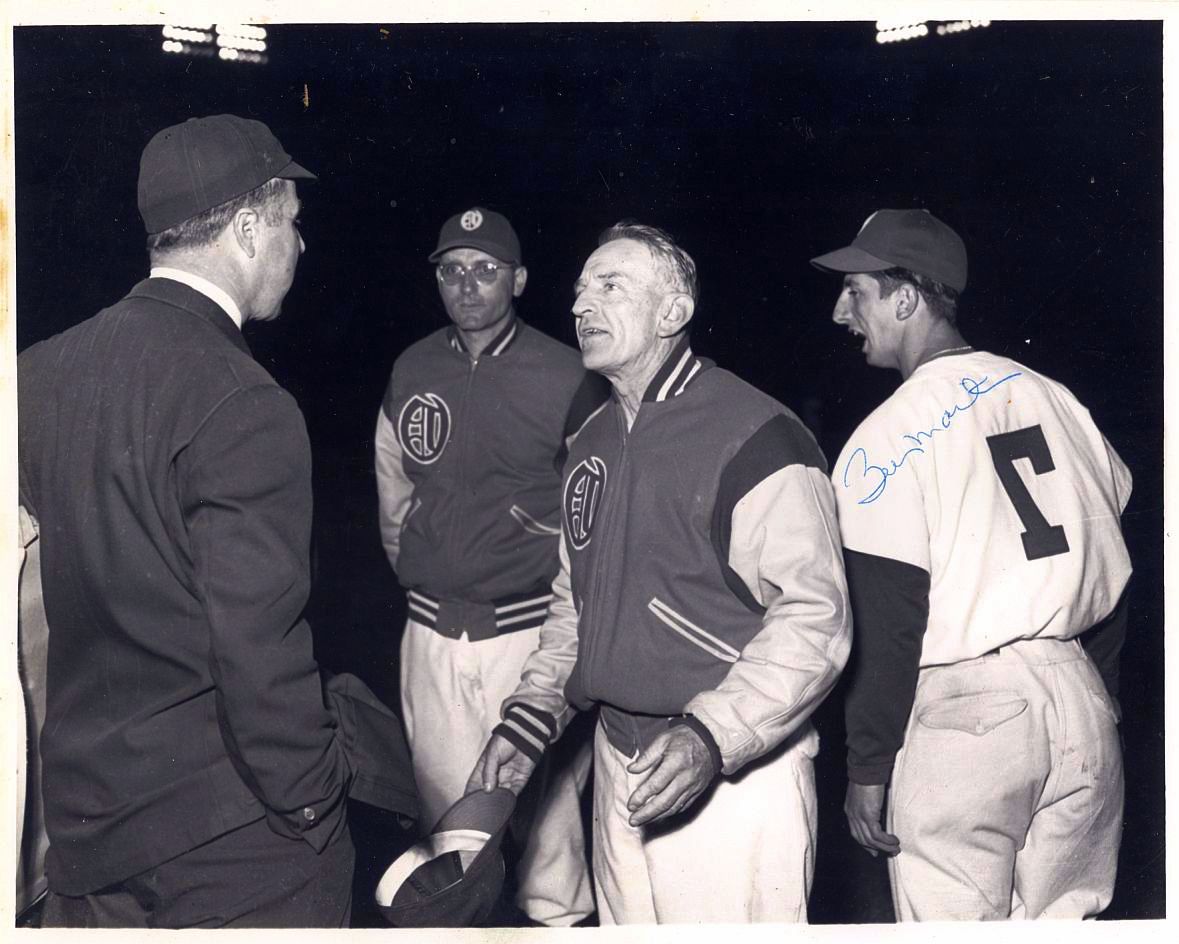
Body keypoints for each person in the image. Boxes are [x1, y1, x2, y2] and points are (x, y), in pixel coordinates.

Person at [17, 114, 417, 928]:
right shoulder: (243, 400)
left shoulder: (36, 373)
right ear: (247, 230)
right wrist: (314, 804)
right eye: (291, 223)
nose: (299, 245)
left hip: (86, 831)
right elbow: (256, 649)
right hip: (226, 844)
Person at [469, 221, 852, 924]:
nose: (580, 305)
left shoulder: (756, 435)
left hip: (731, 772)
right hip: (617, 758)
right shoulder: (590, 442)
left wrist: (712, 734)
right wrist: (528, 724)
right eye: (580, 289)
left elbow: (815, 618)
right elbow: (574, 606)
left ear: (673, 312)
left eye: (610, 286)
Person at [811, 208, 1131, 920]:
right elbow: (1116, 564)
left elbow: (890, 619)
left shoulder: (885, 435)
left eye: (855, 291)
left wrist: (868, 765)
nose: (840, 312)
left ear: (905, 299)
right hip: (1077, 697)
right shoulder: (1056, 397)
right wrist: (1100, 695)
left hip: (968, 714)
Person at [374, 207, 603, 926]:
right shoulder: (413, 367)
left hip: (527, 636)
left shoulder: (566, 373)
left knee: (547, 842)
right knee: (446, 839)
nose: (467, 285)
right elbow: (393, 494)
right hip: (432, 637)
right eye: (452, 270)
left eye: (486, 270)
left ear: (519, 280)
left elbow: (589, 520)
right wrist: (432, 574)